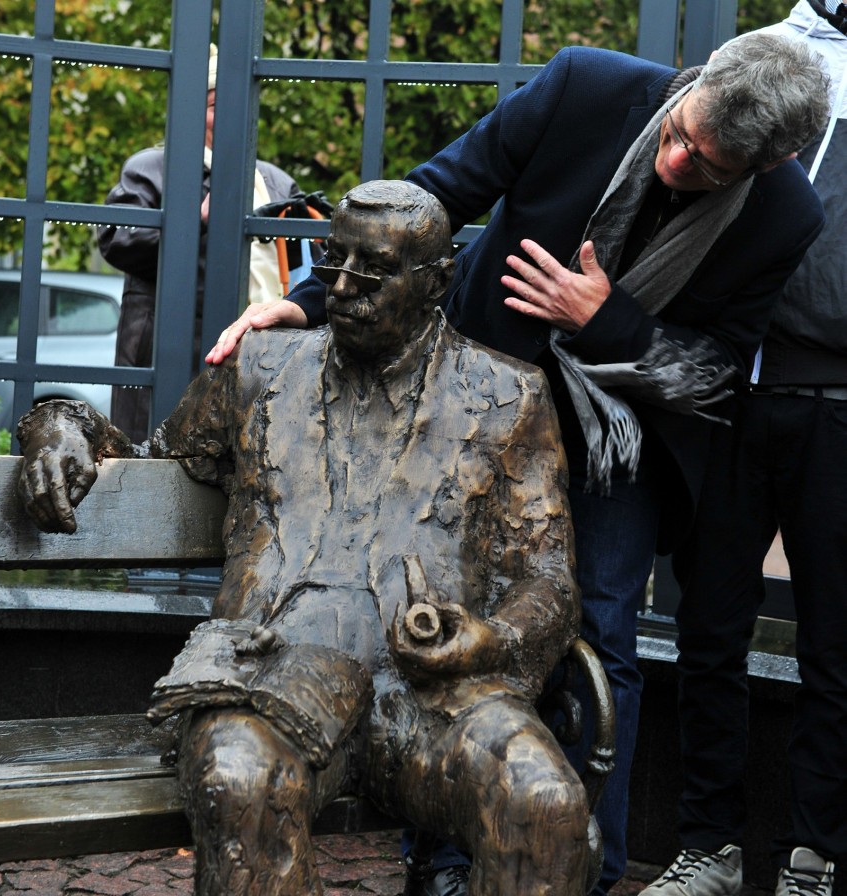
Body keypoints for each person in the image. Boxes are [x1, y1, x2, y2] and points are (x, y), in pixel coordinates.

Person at [203, 33, 830, 896]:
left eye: (707, 165)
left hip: (624, 439)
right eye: (679, 132)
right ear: (698, 82)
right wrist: (311, 303)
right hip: (481, 408)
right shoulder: (586, 87)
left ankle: (581, 867)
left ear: (770, 163)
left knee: (602, 631)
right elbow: (436, 196)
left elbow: (716, 374)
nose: (678, 158)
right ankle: (447, 860)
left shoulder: (786, 214)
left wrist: (604, 319)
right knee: (446, 612)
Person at [17, 180, 594, 896]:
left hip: (430, 692)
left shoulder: (510, 396)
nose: (344, 285)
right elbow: (145, 456)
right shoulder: (259, 369)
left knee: (545, 806)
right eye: (333, 260)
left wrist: (487, 640)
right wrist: (62, 424)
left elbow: (547, 581)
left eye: (374, 271)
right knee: (239, 779)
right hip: (270, 676)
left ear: (437, 281)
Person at [638, 5, 847, 896]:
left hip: (835, 399)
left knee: (835, 642)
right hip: (722, 390)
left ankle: (814, 855)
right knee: (707, 628)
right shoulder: (763, 50)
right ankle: (707, 847)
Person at [97, 42, 300, 442]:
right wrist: (199, 220)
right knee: (157, 453)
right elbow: (117, 240)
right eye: (213, 104)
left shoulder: (275, 179)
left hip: (263, 345)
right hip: (171, 346)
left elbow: (299, 264)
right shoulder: (151, 168)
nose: (225, 114)